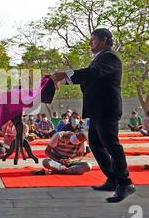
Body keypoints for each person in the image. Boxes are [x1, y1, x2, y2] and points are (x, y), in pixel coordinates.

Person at [52, 28, 134, 203]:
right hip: (97, 110)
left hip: (106, 109)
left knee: (112, 145)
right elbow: (87, 77)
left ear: (104, 40)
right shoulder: (99, 59)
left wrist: (65, 74)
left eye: (93, 39)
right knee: (96, 144)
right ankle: (112, 179)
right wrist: (63, 79)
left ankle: (125, 183)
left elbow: (92, 74)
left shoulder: (109, 57)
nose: (90, 43)